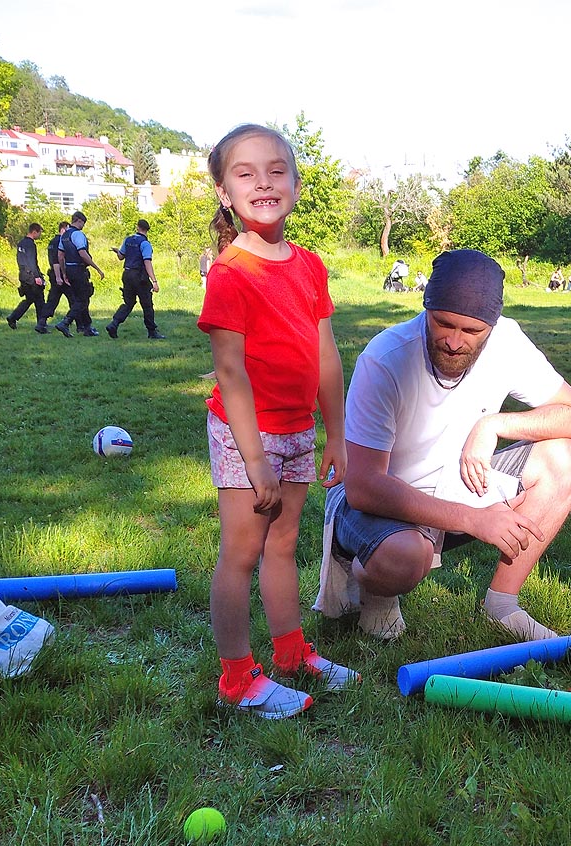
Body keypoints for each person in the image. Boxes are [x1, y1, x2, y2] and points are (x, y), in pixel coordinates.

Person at [314, 248, 571, 642]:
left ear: (492, 326)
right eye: (443, 323)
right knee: (407, 556)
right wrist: (475, 520)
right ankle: (372, 587)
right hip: (382, 498)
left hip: (457, 480)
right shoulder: (385, 359)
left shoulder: (507, 342)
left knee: (562, 459)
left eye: (472, 331)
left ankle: (502, 605)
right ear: (425, 306)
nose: (454, 342)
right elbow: (362, 486)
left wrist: (494, 424)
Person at [197, 123, 354, 719]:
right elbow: (231, 375)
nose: (263, 182)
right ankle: (236, 676)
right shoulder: (232, 272)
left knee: (284, 544)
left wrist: (335, 432)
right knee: (241, 550)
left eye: (276, 169)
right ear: (224, 192)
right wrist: (255, 460)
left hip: (297, 430)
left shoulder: (309, 266)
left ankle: (291, 653)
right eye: (245, 173)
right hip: (247, 435)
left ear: (294, 180)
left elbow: (326, 354)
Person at [107, 219, 164, 339]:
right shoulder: (145, 244)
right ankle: (152, 332)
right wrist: (154, 281)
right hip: (140, 277)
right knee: (147, 305)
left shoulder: (128, 240)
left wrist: (117, 251)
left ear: (137, 227)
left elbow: (121, 257)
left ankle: (114, 324)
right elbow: (147, 262)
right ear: (147, 230)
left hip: (127, 274)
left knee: (128, 303)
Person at [55, 211, 105, 336]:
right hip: (78, 269)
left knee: (81, 298)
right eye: (83, 223)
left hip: (69, 269)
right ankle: (65, 323)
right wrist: (97, 268)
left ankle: (87, 328)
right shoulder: (78, 234)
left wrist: (64, 272)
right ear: (79, 221)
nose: (83, 226)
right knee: (82, 300)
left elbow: (60, 256)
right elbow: (82, 253)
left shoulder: (64, 236)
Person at [7, 223, 49, 333]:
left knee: (29, 300)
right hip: (31, 276)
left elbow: (22, 261)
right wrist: (37, 276)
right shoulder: (31, 245)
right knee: (40, 300)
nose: (40, 235)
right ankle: (41, 325)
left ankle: (13, 317)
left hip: (23, 275)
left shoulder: (21, 243)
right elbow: (31, 262)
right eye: (39, 232)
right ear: (34, 232)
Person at [45, 221, 72, 337]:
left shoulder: (52, 241)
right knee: (74, 299)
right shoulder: (60, 241)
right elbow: (56, 261)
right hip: (60, 274)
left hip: (55, 274)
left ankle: (41, 323)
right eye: (68, 230)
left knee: (52, 300)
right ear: (63, 229)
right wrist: (59, 277)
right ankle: (79, 324)